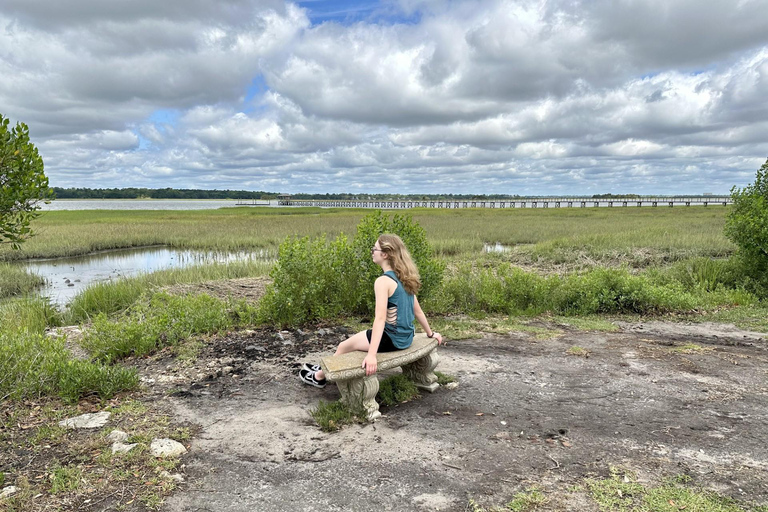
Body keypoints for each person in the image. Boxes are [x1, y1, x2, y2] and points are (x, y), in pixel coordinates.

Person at [299, 234, 443, 388]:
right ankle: (323, 369)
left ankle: (319, 377)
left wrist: (371, 355)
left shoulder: (383, 282)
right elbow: (418, 312)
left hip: (391, 340)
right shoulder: (405, 278)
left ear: (385, 254)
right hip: (406, 337)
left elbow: (380, 319)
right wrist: (430, 333)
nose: (372, 251)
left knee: (343, 346)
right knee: (353, 342)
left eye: (375, 249)